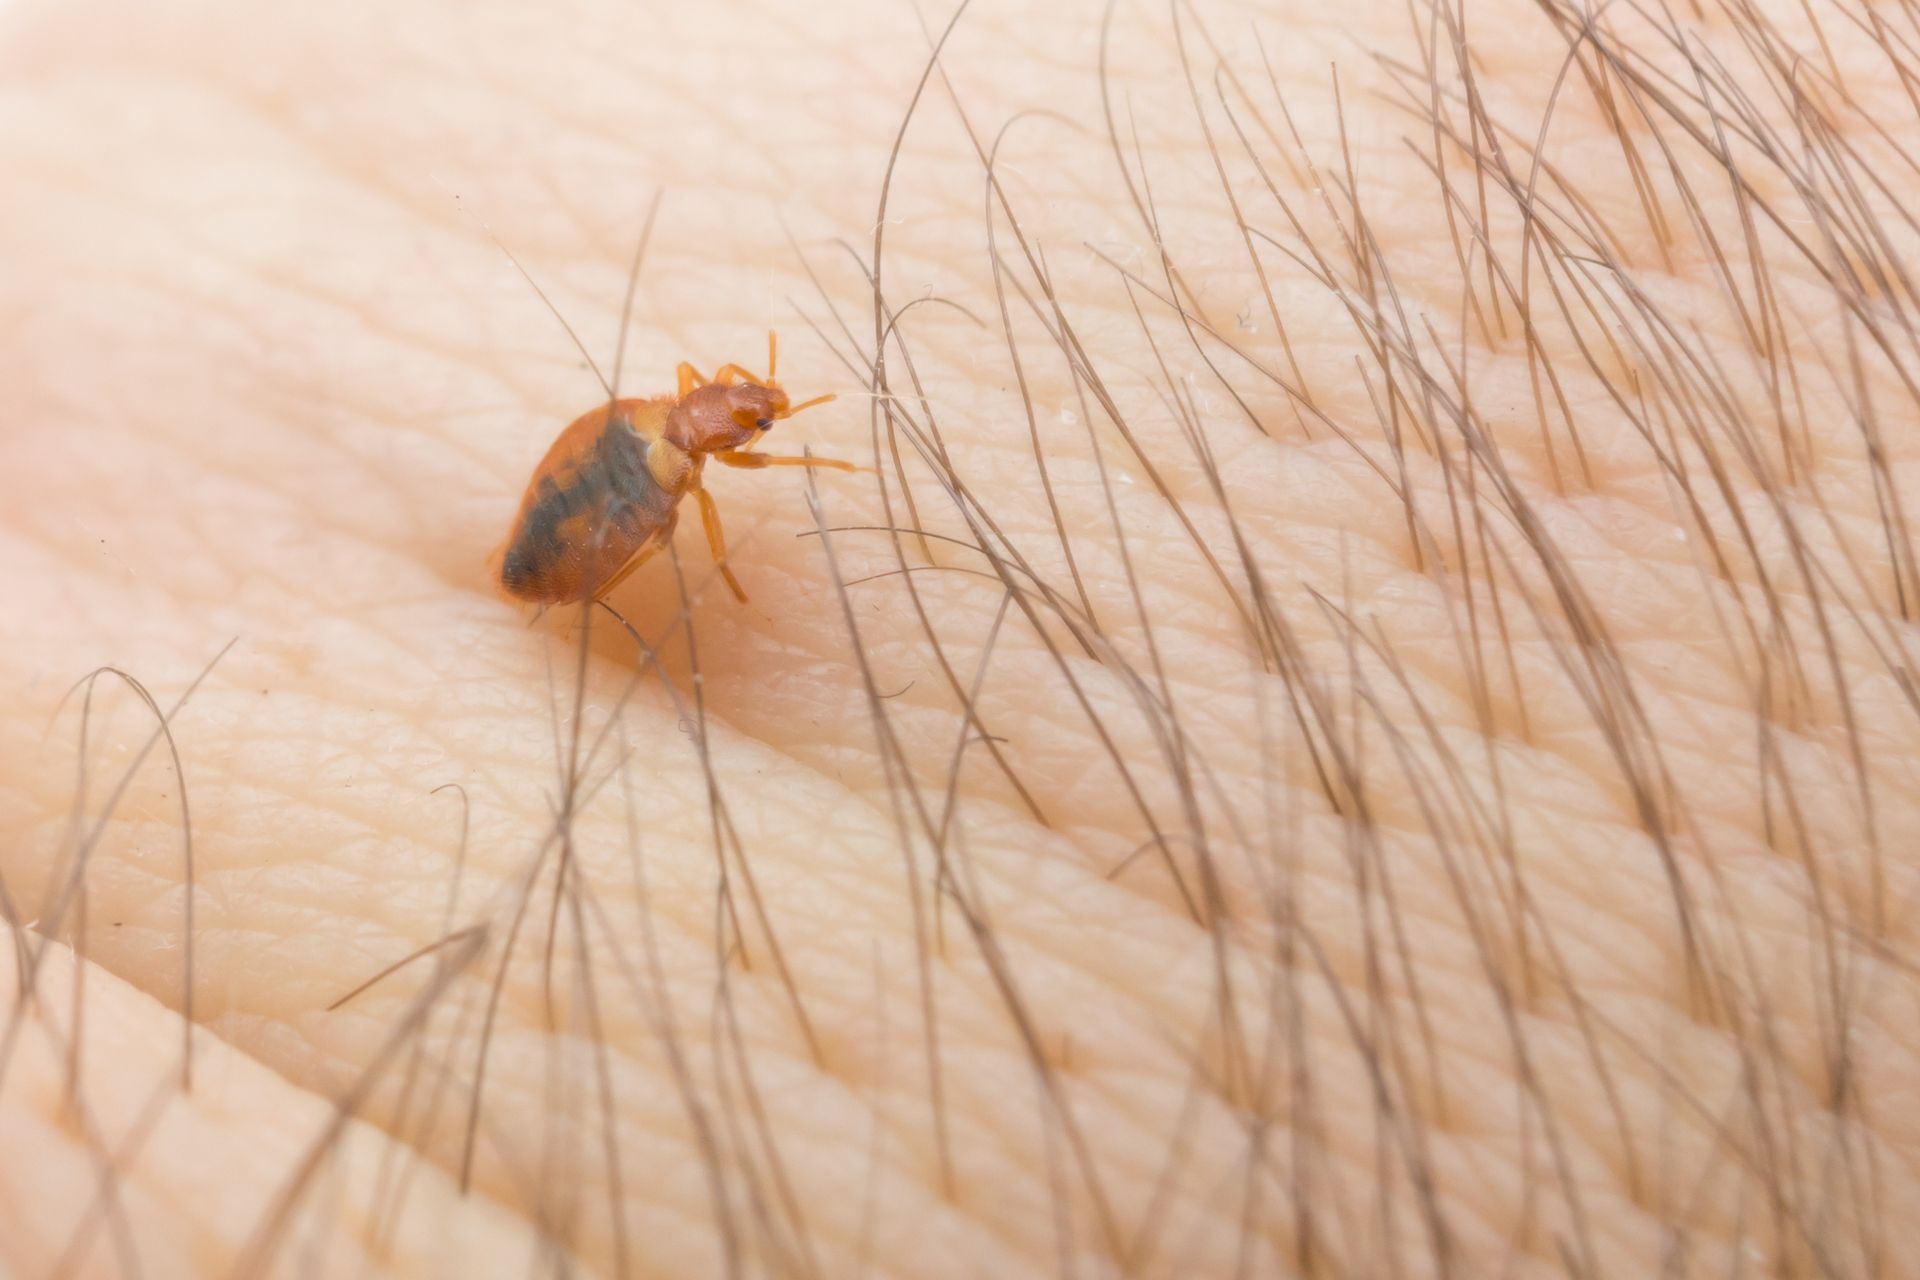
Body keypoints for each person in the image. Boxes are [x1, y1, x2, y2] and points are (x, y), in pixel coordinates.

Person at [1, 0, 1912, 1274]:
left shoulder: (651, 438)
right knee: (634, 554)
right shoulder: (668, 466)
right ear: (717, 412)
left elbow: (629, 480)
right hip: (573, 533)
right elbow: (633, 512)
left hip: (579, 509)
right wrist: (697, 561)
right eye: (745, 409)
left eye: (748, 416)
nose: (745, 416)